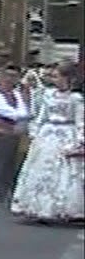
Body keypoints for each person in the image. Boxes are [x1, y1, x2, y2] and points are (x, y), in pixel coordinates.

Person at [10, 61, 85, 223]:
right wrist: (35, 134)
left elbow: (80, 121)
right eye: (53, 76)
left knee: (63, 173)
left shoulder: (76, 98)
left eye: (57, 76)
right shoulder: (48, 94)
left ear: (68, 78)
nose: (54, 80)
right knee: (40, 170)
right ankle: (37, 206)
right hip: (47, 135)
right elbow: (41, 116)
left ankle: (61, 208)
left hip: (66, 134)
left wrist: (80, 141)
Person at [0, 64, 32, 207]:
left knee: (16, 163)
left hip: (17, 133)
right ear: (1, 77)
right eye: (8, 76)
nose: (10, 80)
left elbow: (26, 111)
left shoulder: (18, 94)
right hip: (2, 133)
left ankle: (13, 192)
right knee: (3, 162)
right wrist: (21, 116)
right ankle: (1, 193)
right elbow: (6, 112)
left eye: (14, 77)